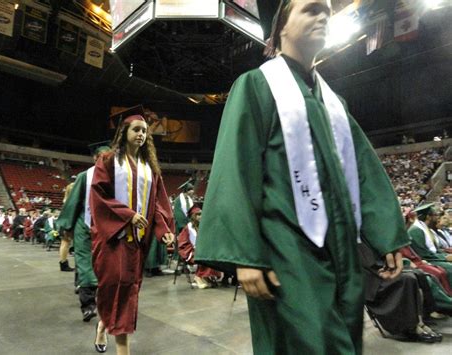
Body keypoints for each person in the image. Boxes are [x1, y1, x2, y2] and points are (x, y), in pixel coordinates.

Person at [195, 1, 409, 353]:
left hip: (341, 251)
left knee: (345, 337)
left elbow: (364, 169)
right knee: (312, 343)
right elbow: (235, 167)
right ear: (281, 26)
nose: (323, 16)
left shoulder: (334, 102)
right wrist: (244, 255)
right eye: (310, 9)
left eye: (326, 11)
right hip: (286, 248)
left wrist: (386, 235)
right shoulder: (256, 86)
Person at [90, 106, 175, 355]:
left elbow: (157, 205)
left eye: (145, 131)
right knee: (112, 288)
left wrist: (164, 230)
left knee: (127, 291)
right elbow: (98, 195)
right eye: (136, 129)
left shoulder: (150, 169)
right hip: (113, 239)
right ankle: (105, 327)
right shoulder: (107, 161)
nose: (141, 134)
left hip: (136, 244)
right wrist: (128, 216)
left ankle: (111, 333)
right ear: (124, 131)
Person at [57, 143, 111, 322]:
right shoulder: (84, 176)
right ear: (95, 159)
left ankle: (104, 300)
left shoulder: (117, 177)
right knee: (84, 262)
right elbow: (73, 202)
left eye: (109, 157)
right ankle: (88, 305)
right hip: (84, 225)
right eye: (103, 157)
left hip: (106, 228)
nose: (107, 160)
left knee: (105, 264)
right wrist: (67, 226)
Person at [178, 205, 221, 289]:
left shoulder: (203, 225)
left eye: (201, 214)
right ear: (193, 216)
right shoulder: (188, 228)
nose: (200, 216)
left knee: (213, 254)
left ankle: (206, 276)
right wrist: (193, 249)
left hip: (201, 250)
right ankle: (198, 277)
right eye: (198, 214)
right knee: (206, 256)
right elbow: (182, 243)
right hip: (189, 251)